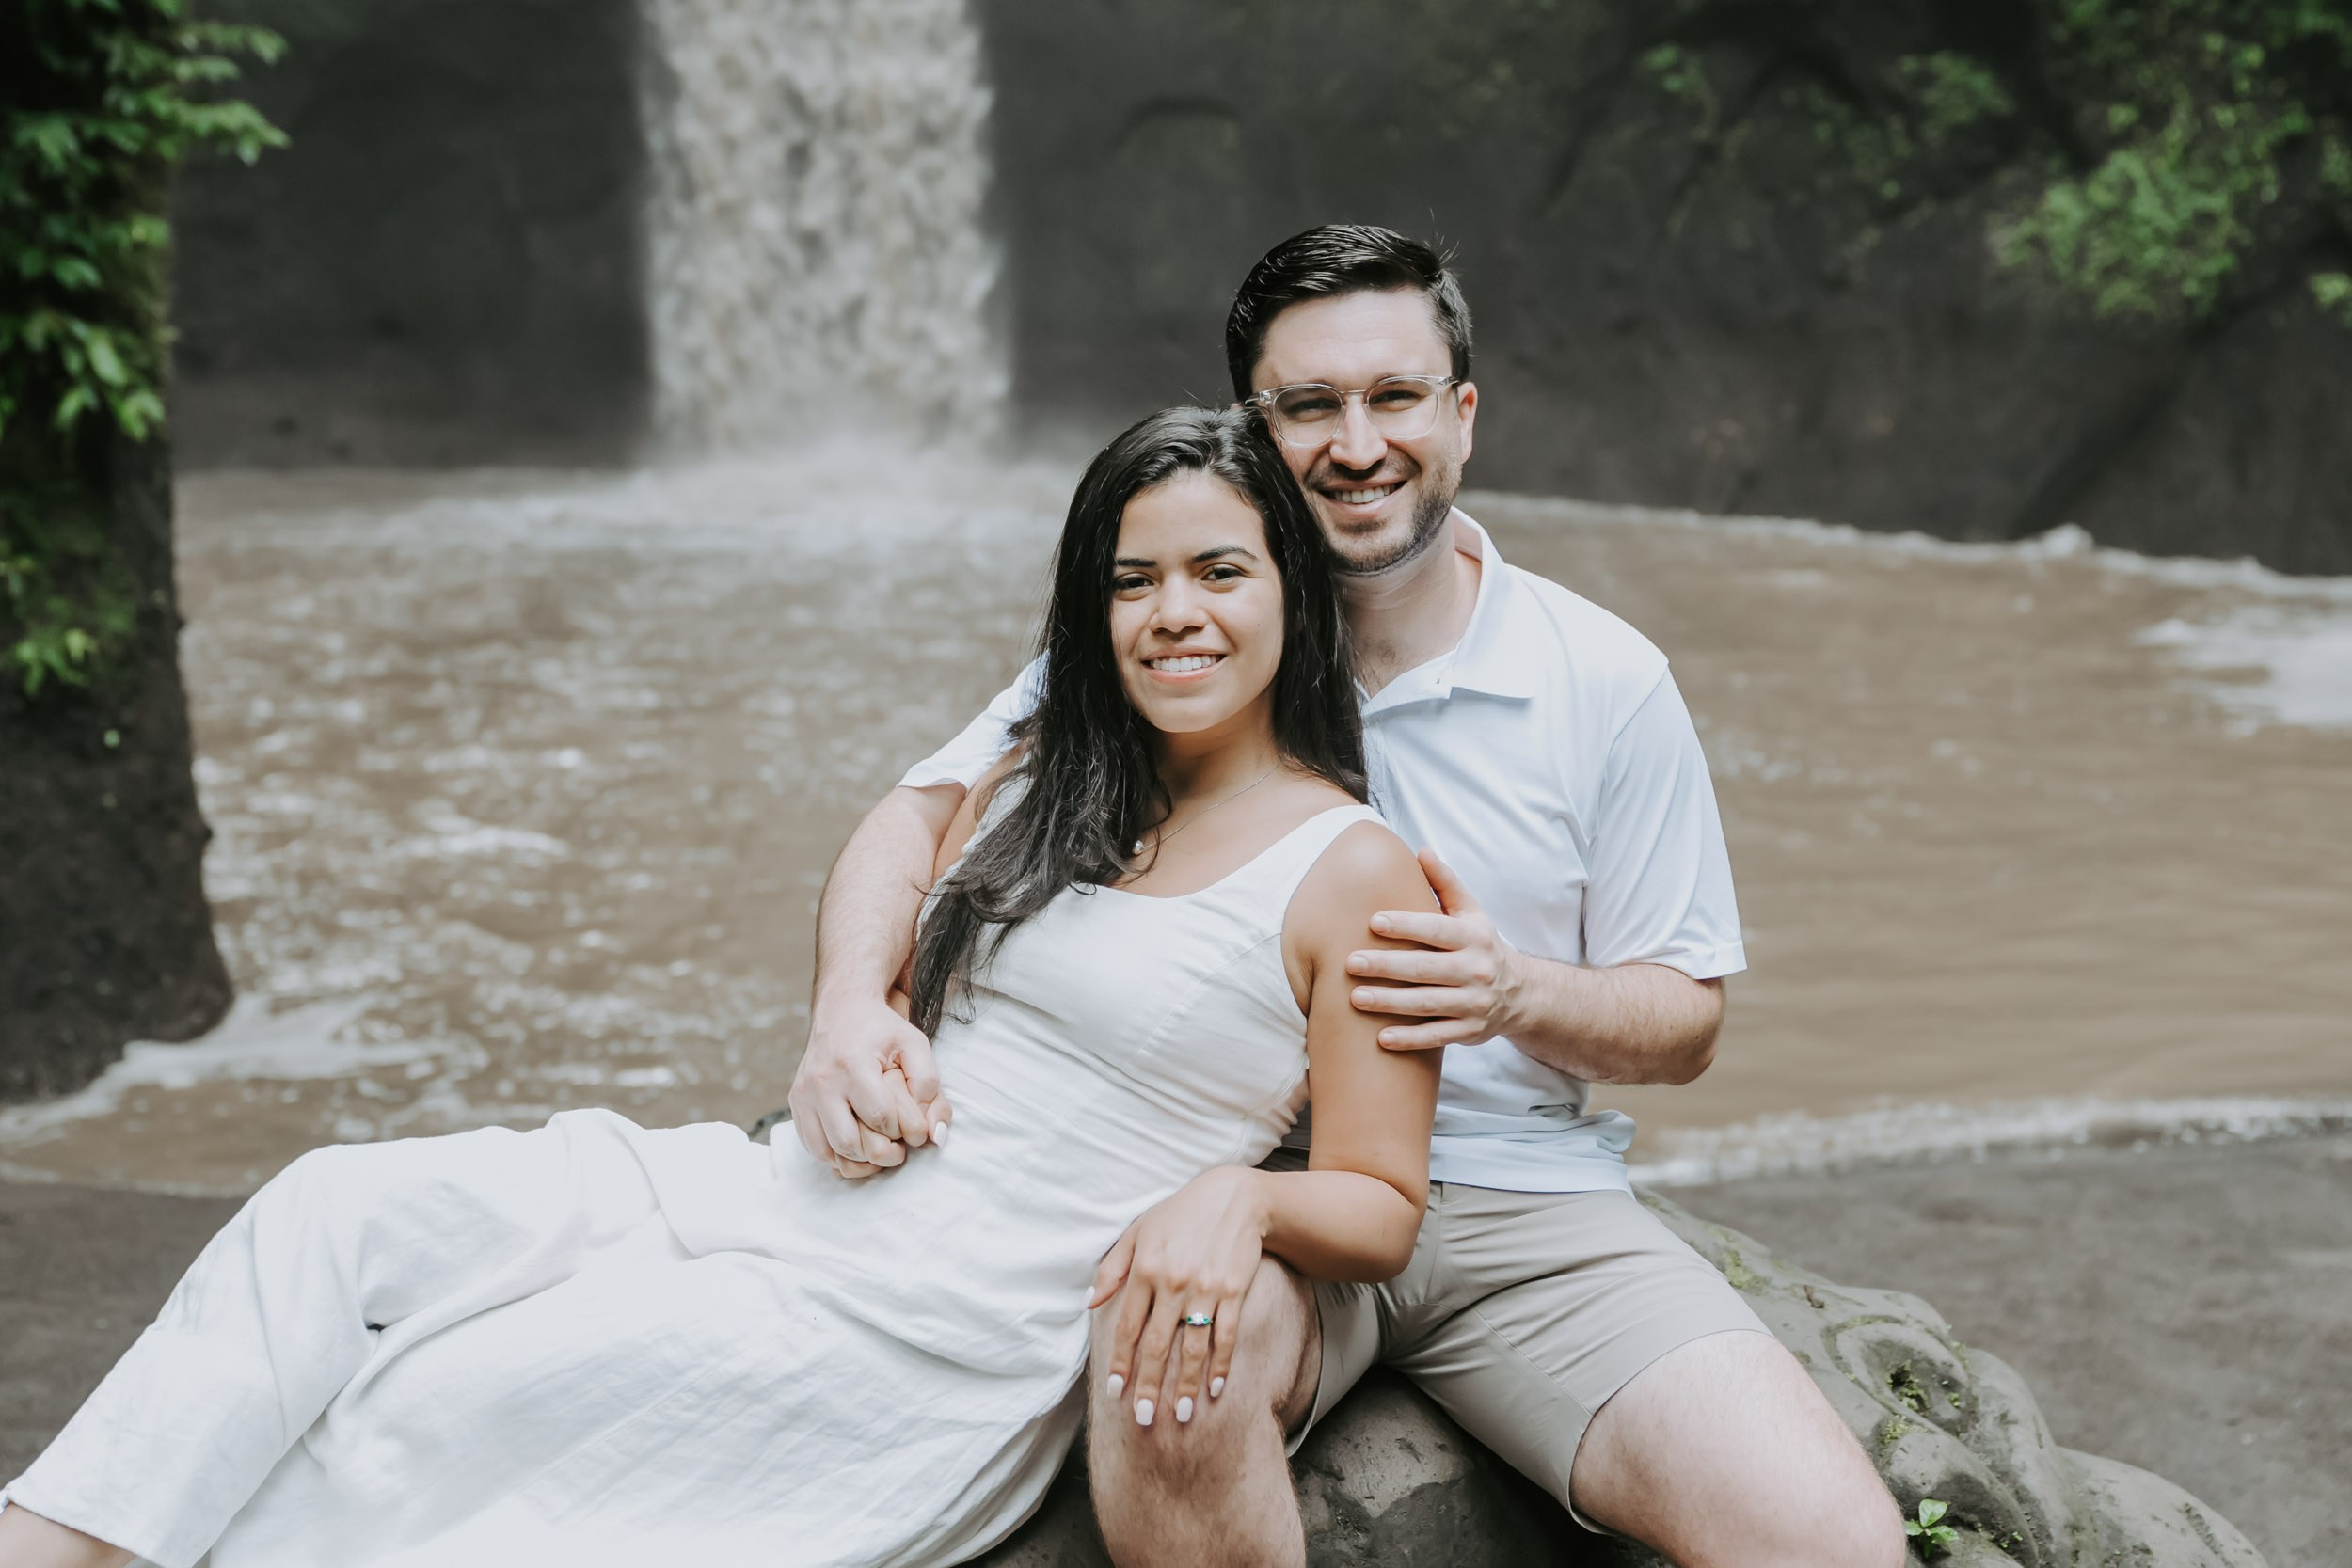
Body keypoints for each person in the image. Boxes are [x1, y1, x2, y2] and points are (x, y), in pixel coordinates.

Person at [0, 408, 1445, 1568]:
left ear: (1289, 593)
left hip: (929, 1319)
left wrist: (1241, 1199)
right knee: (335, 1207)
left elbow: (1381, 1207)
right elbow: (893, 850)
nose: (1171, 614)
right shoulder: (1046, 771)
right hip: (761, 1194)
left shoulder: (1348, 868)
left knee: (459, 1396)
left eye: (1218, 572)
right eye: (1132, 580)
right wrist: (855, 1014)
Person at [791, 226, 1909, 1568]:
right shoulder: (1190, 624)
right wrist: (852, 1006)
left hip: (1518, 1207)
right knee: (1170, 1380)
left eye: (1396, 398)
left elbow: (1688, 1020)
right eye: (1309, 407)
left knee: (1834, 1544)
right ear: (1256, 435)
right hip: (1240, 1177)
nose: (1358, 442)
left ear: (1463, 415)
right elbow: (917, 816)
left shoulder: (1604, 680)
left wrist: (1516, 992)